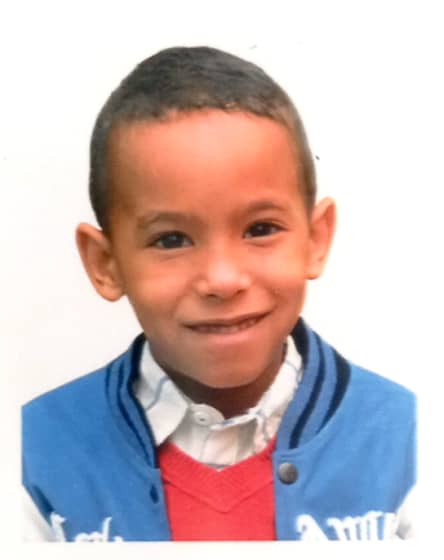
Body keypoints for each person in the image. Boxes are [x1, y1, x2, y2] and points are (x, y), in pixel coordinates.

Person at [22, 46, 416, 542]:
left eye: (260, 229)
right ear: (106, 264)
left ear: (315, 240)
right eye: (171, 240)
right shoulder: (33, 457)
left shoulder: (407, 442)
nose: (223, 279)